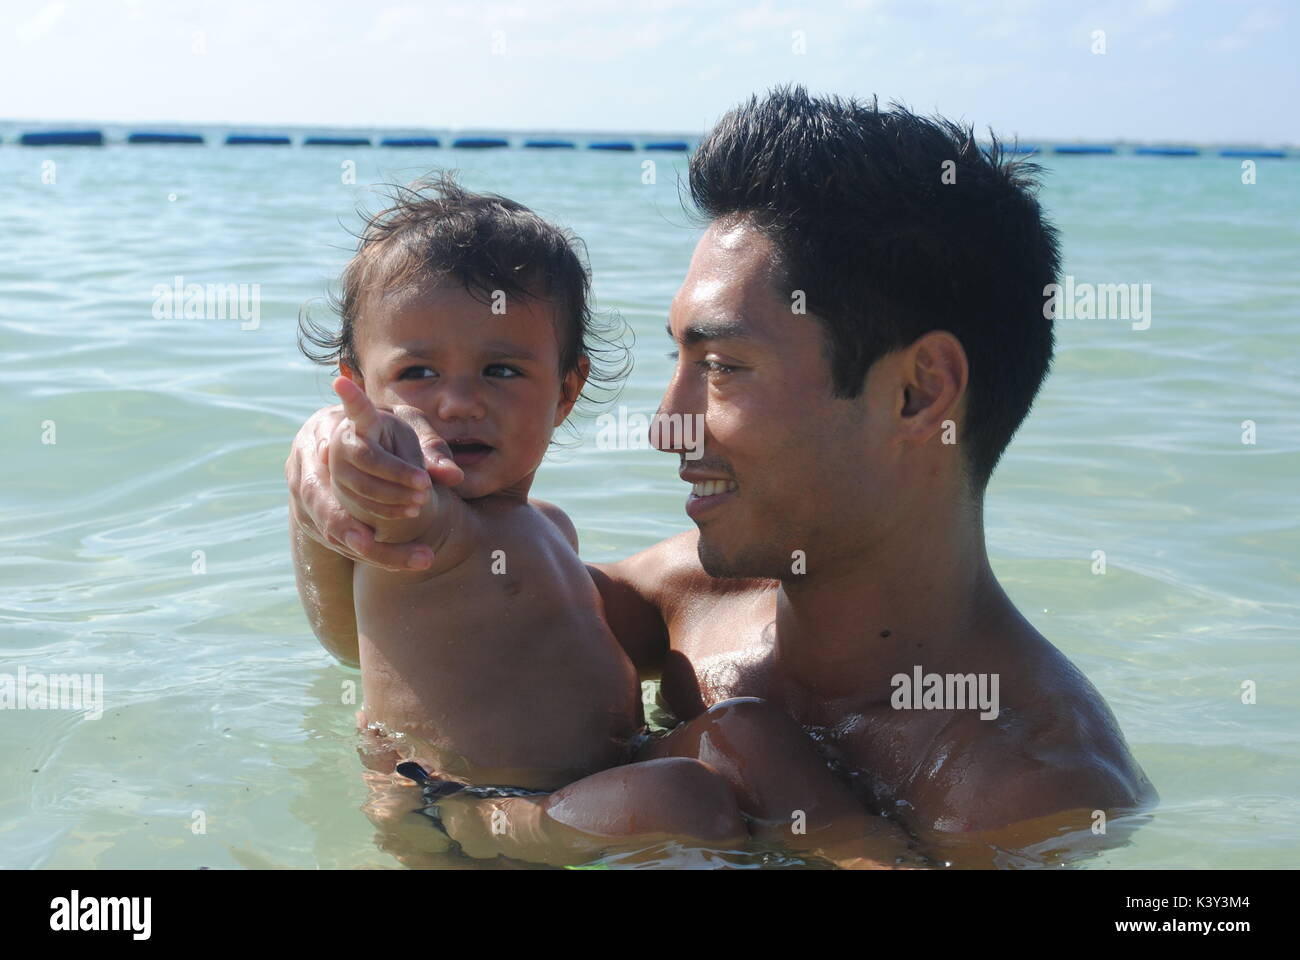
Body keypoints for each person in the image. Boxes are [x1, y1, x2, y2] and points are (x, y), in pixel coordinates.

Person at [287, 88, 1156, 869]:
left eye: (724, 366)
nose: (666, 423)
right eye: (678, 358)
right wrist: (329, 481)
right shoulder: (688, 597)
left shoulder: (1026, 791)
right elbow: (416, 637)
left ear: (918, 393)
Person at [291, 172, 917, 868]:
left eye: (500, 371)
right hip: (472, 810)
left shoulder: (550, 529)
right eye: (416, 374)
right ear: (357, 384)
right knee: (684, 797)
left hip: (596, 784)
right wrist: (344, 445)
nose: (459, 402)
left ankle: (874, 860)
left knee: (748, 733)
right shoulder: (423, 520)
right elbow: (364, 477)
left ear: (566, 391)